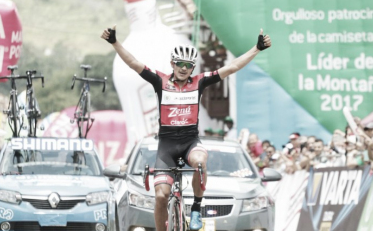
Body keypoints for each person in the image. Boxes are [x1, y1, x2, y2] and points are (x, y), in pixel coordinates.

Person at [101, 25, 271, 231]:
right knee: (162, 196)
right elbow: (133, 63)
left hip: (190, 142)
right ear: (172, 64)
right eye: (180, 64)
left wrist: (257, 48)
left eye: (188, 65)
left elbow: (232, 67)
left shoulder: (199, 82)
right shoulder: (160, 80)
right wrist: (114, 42)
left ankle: (196, 209)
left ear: (193, 68)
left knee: (200, 162)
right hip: (167, 145)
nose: (183, 68)